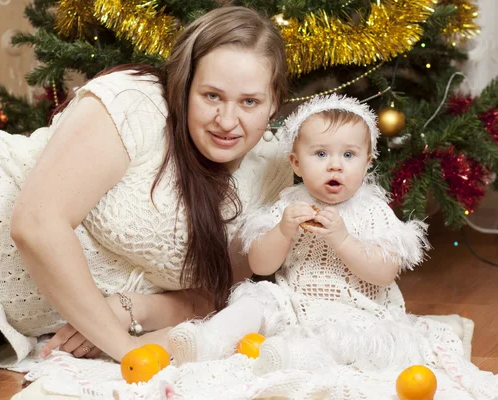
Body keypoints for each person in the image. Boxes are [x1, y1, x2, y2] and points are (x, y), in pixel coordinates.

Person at [0, 6, 293, 397]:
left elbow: (211, 296)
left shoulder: (272, 176)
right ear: (185, 86)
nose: (226, 120)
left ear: (275, 101)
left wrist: (131, 308)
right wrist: (126, 350)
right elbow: (38, 224)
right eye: (211, 96)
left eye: (249, 102)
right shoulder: (137, 103)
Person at [167, 94, 497, 397]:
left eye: (349, 154)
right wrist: (282, 231)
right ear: (296, 163)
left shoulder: (372, 210)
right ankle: (209, 339)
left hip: (354, 311)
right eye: (321, 154)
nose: (335, 165)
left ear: (368, 162)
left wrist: (342, 239)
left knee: (347, 342)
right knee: (257, 298)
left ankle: (289, 357)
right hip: (293, 301)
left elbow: (384, 273)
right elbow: (261, 267)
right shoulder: (289, 205)